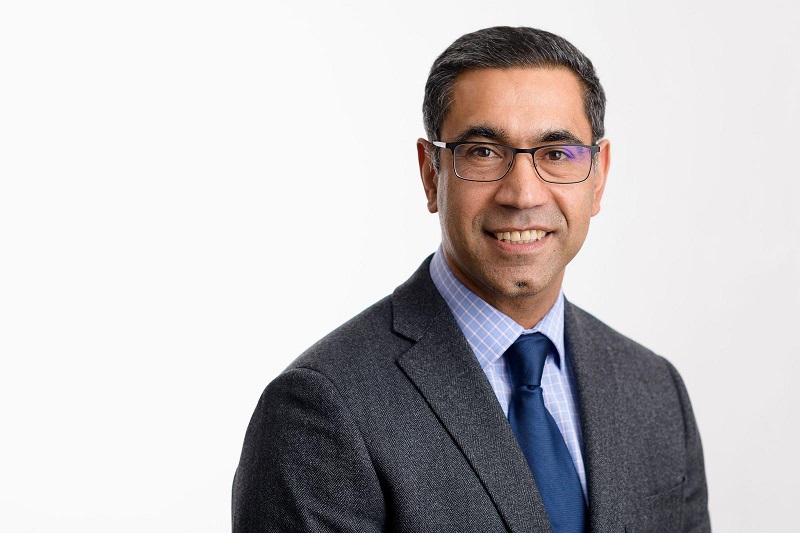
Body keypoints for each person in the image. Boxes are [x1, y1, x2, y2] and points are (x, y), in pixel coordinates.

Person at [232, 26, 710, 533]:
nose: (523, 194)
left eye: (556, 153)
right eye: (483, 151)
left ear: (599, 176)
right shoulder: (321, 408)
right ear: (430, 173)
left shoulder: (654, 390)